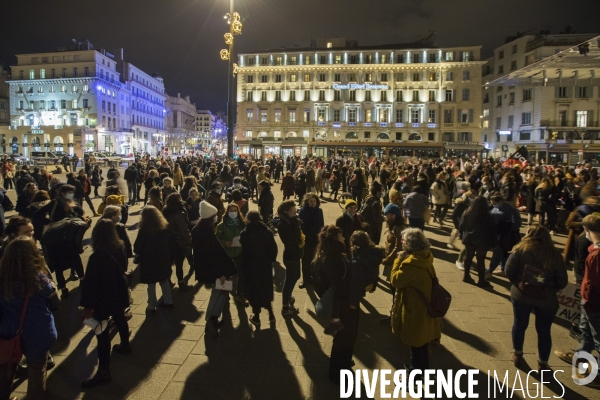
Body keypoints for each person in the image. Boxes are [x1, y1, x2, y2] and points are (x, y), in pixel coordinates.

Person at [0, 238, 57, 400]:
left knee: (6, 370)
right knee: (37, 370)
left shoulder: (2, 279)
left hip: (9, 331)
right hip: (38, 333)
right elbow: (54, 300)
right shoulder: (38, 278)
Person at [504, 226, 568, 371]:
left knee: (519, 324)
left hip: (521, 294)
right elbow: (562, 281)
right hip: (547, 298)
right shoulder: (555, 254)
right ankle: (543, 362)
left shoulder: (520, 250)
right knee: (544, 330)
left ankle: (518, 354)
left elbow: (509, 271)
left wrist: (519, 283)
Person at [80, 219, 131, 388]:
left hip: (103, 299)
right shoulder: (120, 247)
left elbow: (90, 284)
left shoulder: (96, 256)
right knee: (120, 317)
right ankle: (125, 344)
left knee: (101, 332)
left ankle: (103, 371)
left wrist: (88, 307)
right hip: (118, 293)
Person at [390, 228, 442, 374]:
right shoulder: (425, 257)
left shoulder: (411, 265)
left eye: (403, 241)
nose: (402, 243)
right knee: (423, 342)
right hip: (425, 306)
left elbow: (395, 280)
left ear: (410, 244)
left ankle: (415, 375)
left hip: (415, 310)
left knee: (415, 344)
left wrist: (398, 260)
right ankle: (423, 368)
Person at [192, 201, 238, 338]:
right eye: (215, 214)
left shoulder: (198, 229)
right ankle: (211, 320)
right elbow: (212, 255)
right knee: (219, 293)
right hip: (214, 270)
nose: (217, 216)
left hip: (206, 269)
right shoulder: (206, 232)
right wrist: (220, 274)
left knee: (220, 292)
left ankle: (212, 320)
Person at [34, 184, 87, 298]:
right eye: (69, 192)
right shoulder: (55, 203)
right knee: (58, 264)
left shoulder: (74, 201)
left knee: (76, 258)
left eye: (72, 192)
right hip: (57, 238)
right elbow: (37, 214)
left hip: (71, 236)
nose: (71, 194)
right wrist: (48, 221)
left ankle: (82, 280)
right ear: (62, 193)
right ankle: (63, 288)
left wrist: (74, 208)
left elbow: (81, 213)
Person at [240, 211, 278, 327]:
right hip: (265, 265)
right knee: (265, 287)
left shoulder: (245, 233)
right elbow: (274, 249)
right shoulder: (267, 232)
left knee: (254, 290)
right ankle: (271, 314)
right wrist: (269, 260)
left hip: (251, 267)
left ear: (248, 219)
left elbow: (244, 252)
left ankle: (256, 316)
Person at [133, 206, 173, 314]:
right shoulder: (164, 228)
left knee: (151, 284)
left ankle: (151, 306)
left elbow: (137, 248)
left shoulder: (144, 230)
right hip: (163, 259)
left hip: (148, 261)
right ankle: (168, 301)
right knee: (164, 281)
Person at [273, 200, 304, 316]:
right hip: (291, 255)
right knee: (289, 279)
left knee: (296, 276)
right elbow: (294, 239)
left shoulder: (291, 220)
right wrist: (294, 221)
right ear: (287, 211)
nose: (296, 211)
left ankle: (288, 296)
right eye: (293, 210)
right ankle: (285, 306)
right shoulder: (283, 224)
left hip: (296, 254)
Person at [459, 196, 497, 288]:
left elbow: (461, 225)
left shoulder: (467, 212)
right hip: (482, 240)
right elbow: (491, 230)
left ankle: (466, 275)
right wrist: (493, 242)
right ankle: (481, 280)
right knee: (480, 260)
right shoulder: (487, 215)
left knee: (468, 257)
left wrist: (462, 234)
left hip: (469, 238)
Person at [216, 203, 247, 305]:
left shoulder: (243, 224)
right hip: (226, 253)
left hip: (239, 252)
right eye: (231, 210)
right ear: (227, 212)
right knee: (226, 275)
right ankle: (224, 296)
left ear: (238, 212)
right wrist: (225, 243)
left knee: (241, 274)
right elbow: (216, 240)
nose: (233, 212)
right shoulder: (221, 225)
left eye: (235, 210)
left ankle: (240, 294)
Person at [486, 194, 522, 279]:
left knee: (498, 252)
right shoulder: (495, 208)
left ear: (500, 201)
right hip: (497, 234)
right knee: (503, 253)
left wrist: (505, 227)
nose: (493, 205)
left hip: (506, 236)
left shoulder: (511, 209)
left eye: (494, 203)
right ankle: (503, 269)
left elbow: (516, 223)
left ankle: (489, 270)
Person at [163, 193, 193, 290]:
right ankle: (181, 283)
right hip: (179, 242)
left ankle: (168, 281)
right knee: (179, 264)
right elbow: (184, 230)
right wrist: (190, 241)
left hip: (168, 241)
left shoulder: (165, 212)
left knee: (169, 262)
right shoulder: (179, 213)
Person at [298, 193, 325, 288]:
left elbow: (321, 225)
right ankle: (305, 279)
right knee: (305, 259)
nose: (313, 203)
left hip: (316, 239)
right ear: (307, 202)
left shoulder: (319, 211)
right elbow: (301, 225)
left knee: (314, 259)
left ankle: (313, 277)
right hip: (306, 238)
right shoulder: (303, 211)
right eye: (311, 201)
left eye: (314, 201)